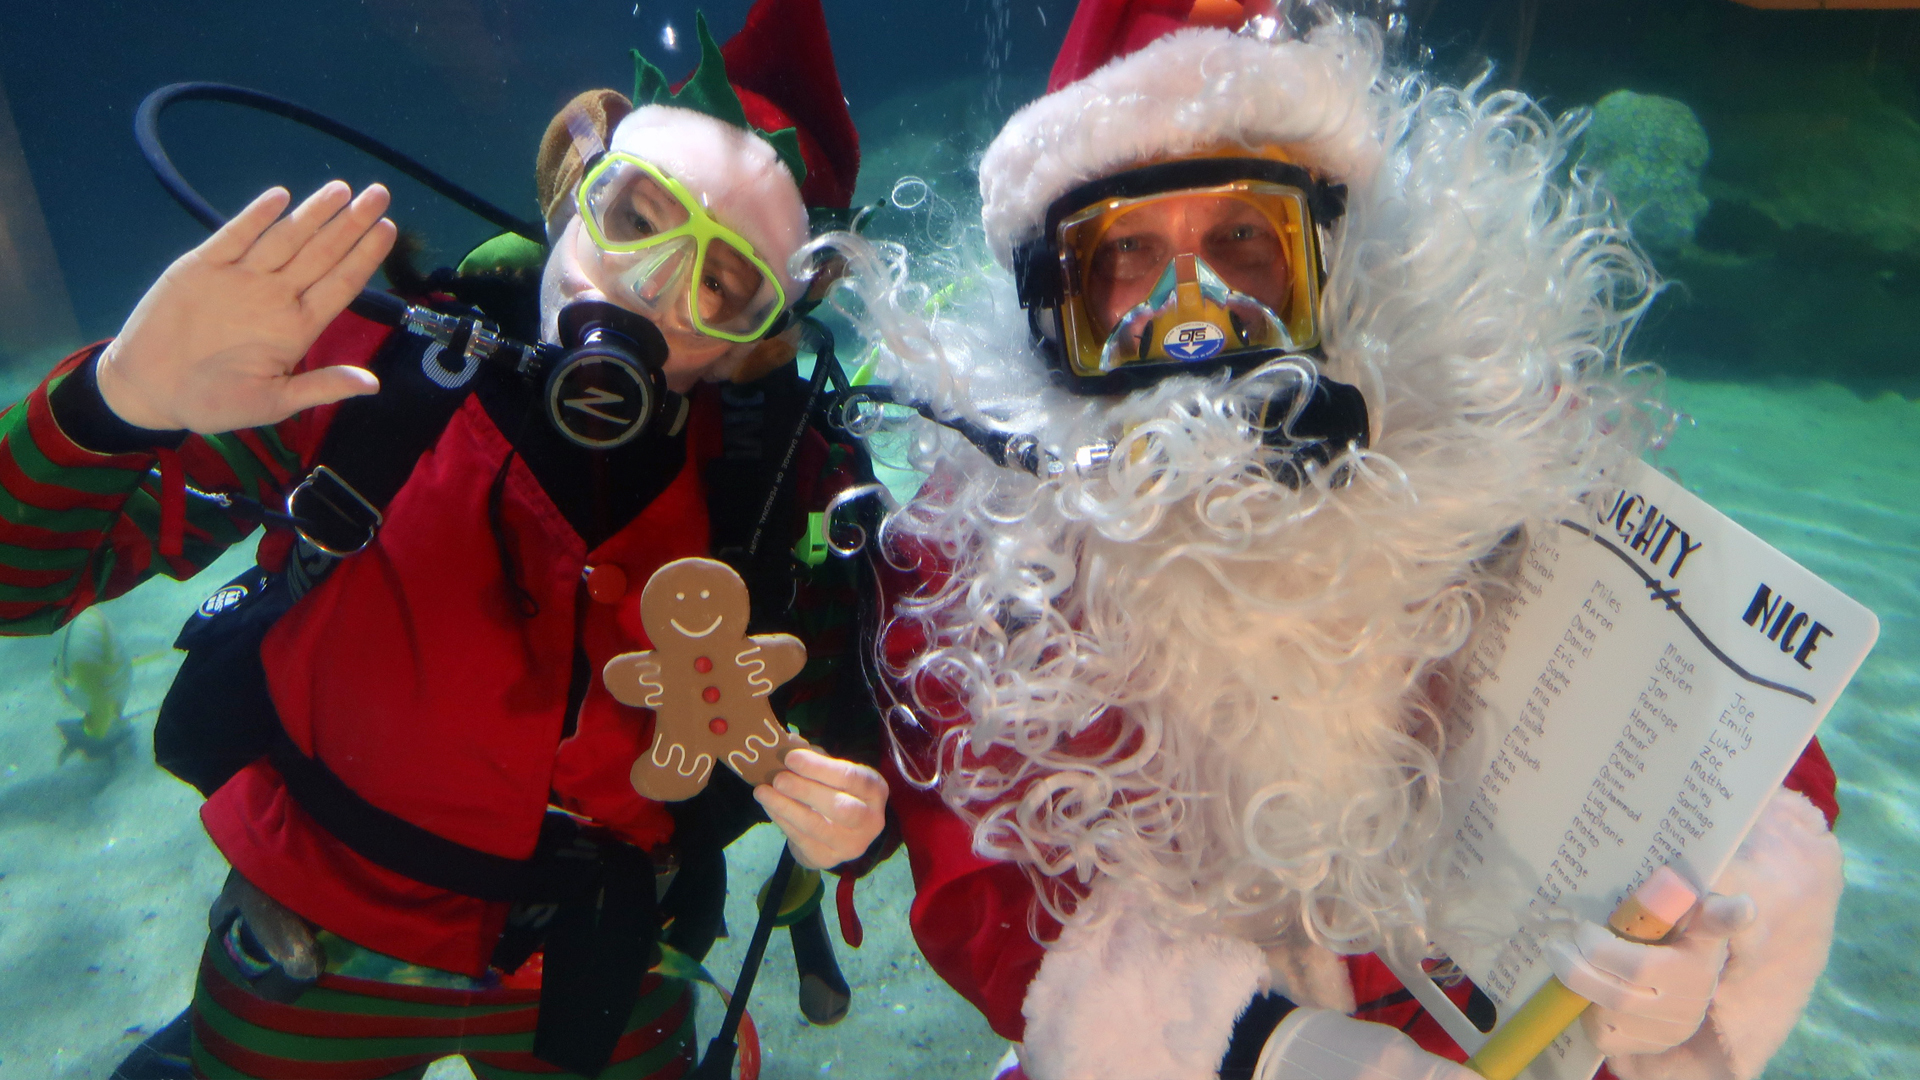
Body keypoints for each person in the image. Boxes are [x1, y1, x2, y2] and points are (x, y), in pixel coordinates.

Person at [830, 2, 1845, 1079]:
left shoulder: (1506, 436)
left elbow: (1738, 720)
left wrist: (1700, 951)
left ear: (1332, 252)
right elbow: (978, 883)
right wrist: (1256, 1050)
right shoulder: (971, 544)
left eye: (1240, 242)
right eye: (1127, 253)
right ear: (1051, 302)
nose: (1194, 319)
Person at [0, 1, 892, 1077]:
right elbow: (18, 585)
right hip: (314, 938)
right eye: (637, 215)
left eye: (723, 280)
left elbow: (853, 718)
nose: (653, 287)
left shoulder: (789, 476)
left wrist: (854, 831)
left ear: (765, 338)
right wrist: (112, 406)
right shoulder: (358, 372)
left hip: (608, 960)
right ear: (572, 187)